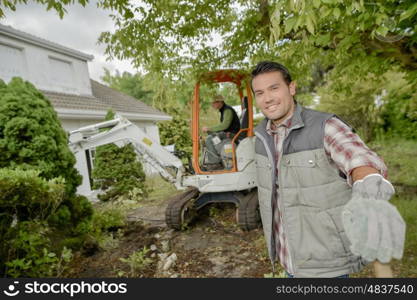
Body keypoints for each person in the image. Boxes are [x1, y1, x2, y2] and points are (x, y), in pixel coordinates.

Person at [251, 61, 406, 278]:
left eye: (274, 88)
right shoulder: (260, 138)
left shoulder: (325, 126)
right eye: (260, 93)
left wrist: (367, 178)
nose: (267, 98)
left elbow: (357, 157)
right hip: (290, 261)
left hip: (326, 264)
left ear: (292, 88)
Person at [202, 95, 240, 170]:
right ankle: (217, 160)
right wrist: (212, 131)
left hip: (232, 135)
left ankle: (215, 163)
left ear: (220, 102)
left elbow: (225, 125)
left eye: (214, 103)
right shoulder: (223, 110)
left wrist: (209, 128)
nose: (212, 105)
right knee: (212, 137)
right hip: (228, 133)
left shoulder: (227, 110)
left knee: (209, 139)